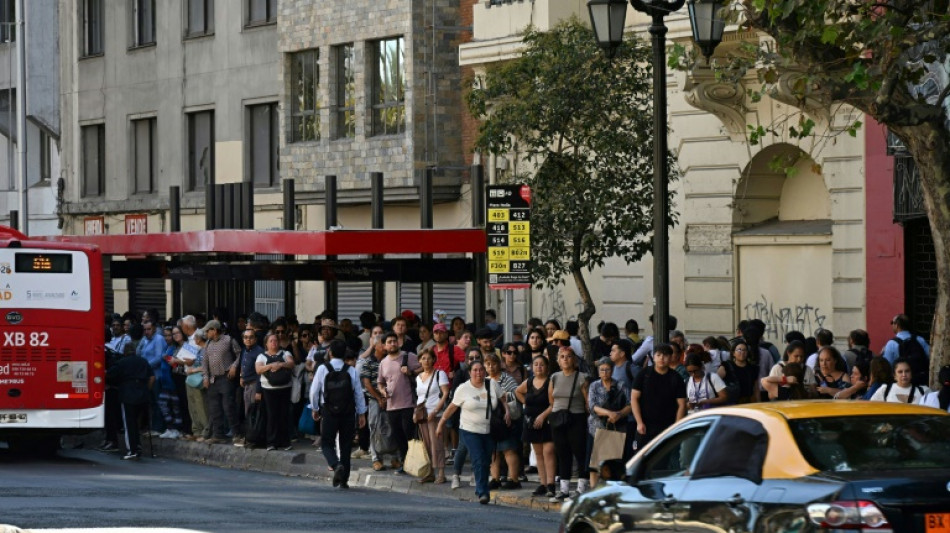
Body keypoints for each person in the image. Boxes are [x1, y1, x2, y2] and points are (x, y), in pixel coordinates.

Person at [437, 360, 508, 505]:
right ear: (470, 373)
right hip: (469, 429)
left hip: (488, 429)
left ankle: (480, 487)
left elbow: (502, 398)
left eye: (481, 370)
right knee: (478, 458)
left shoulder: (492, 384)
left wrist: (506, 411)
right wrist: (441, 423)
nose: (478, 373)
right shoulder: (463, 388)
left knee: (486, 460)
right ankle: (483, 492)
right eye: (475, 370)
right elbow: (452, 407)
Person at [310, 339, 367, 489]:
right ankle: (344, 480)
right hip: (348, 412)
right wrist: (361, 413)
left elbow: (314, 391)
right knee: (346, 445)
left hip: (328, 411)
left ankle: (336, 466)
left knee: (327, 442)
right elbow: (358, 394)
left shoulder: (323, 368)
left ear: (330, 352)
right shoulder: (351, 370)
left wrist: (315, 408)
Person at [377, 332, 422, 474]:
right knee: (398, 436)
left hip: (408, 403)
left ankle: (414, 462)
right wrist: (383, 391)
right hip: (391, 406)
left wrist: (411, 372)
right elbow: (380, 382)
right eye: (389, 342)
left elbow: (424, 366)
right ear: (384, 346)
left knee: (409, 434)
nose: (392, 344)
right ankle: (404, 462)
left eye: (394, 341)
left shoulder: (408, 356)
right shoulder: (383, 363)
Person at [548, 347, 589, 502]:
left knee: (579, 453)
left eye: (569, 356)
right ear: (558, 360)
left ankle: (581, 489)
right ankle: (564, 490)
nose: (565, 359)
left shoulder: (582, 377)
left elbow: (587, 402)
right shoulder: (554, 377)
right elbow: (551, 399)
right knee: (562, 453)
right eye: (562, 356)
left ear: (575, 360)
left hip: (576, 417)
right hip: (558, 418)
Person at [631, 343, 687, 456]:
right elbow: (634, 398)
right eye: (658, 355)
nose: (662, 358)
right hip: (645, 426)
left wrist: (675, 427)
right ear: (654, 356)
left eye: (665, 355)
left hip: (666, 426)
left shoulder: (676, 378)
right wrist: (639, 422)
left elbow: (682, 404)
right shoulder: (644, 374)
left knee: (661, 460)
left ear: (671, 357)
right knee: (640, 458)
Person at [105, 343, 155, 460]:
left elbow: (110, 375)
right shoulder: (143, 361)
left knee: (129, 423)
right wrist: (146, 390)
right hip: (142, 394)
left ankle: (132, 450)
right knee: (137, 423)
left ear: (125, 351)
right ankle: (137, 446)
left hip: (128, 394)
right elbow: (152, 377)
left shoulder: (122, 362)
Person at [515, 355, 556, 497]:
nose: (539, 367)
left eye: (542, 364)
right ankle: (543, 484)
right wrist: (526, 402)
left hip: (547, 421)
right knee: (538, 453)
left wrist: (543, 416)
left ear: (547, 367)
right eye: (536, 364)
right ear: (532, 367)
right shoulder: (529, 381)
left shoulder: (550, 382)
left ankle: (551, 484)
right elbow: (517, 391)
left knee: (548, 451)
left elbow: (553, 403)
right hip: (531, 421)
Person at [586, 357, 630, 487]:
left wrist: (619, 414)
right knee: (595, 464)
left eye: (607, 369)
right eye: (602, 370)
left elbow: (630, 404)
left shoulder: (621, 385)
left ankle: (612, 490)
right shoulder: (594, 385)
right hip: (596, 428)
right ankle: (594, 489)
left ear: (612, 370)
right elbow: (592, 406)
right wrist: (608, 413)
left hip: (615, 427)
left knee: (612, 464)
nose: (605, 372)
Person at [201, 320, 242, 445]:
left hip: (226, 377)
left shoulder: (229, 340)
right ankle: (218, 434)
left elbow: (240, 354)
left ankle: (236, 433)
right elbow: (205, 362)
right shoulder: (208, 343)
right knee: (215, 408)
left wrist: (234, 366)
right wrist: (206, 377)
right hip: (213, 379)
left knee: (228, 406)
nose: (206, 333)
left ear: (214, 330)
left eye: (208, 331)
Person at [484, 352, 521, 490]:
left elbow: (513, 395)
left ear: (499, 364)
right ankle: (495, 478)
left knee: (508, 449)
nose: (491, 366)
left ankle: (514, 479)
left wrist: (501, 396)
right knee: (493, 451)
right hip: (491, 420)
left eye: (494, 363)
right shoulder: (484, 380)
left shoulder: (507, 379)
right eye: (488, 364)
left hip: (506, 418)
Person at [414, 348, 450, 483]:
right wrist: (415, 413)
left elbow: (445, 393)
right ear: (419, 361)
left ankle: (441, 473)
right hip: (422, 415)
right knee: (426, 445)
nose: (426, 361)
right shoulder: (418, 377)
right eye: (423, 358)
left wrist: (435, 411)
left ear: (434, 360)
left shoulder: (440, 374)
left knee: (437, 443)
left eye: (429, 358)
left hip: (436, 414)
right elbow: (419, 397)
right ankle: (429, 472)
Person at [256, 333, 295, 451]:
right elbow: (258, 369)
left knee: (284, 415)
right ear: (266, 343)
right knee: (271, 415)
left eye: (275, 341)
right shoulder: (261, 356)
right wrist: (271, 365)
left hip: (285, 388)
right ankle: (271, 442)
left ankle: (285, 442)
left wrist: (280, 364)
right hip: (268, 390)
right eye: (271, 341)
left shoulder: (285, 353)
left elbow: (291, 363)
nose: (274, 343)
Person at [881, 314, 930, 386]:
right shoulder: (920, 339)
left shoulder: (891, 344)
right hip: (920, 381)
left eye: (892, 323)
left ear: (897, 325)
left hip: (902, 383)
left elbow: (887, 366)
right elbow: (930, 356)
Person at [236, 327, 263, 447]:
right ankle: (249, 438)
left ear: (255, 339)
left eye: (251, 337)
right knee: (247, 412)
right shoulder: (244, 350)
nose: (248, 340)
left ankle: (252, 439)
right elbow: (243, 365)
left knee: (253, 414)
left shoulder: (259, 351)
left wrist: (258, 390)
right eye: (246, 337)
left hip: (254, 385)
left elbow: (260, 374)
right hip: (246, 385)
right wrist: (241, 377)